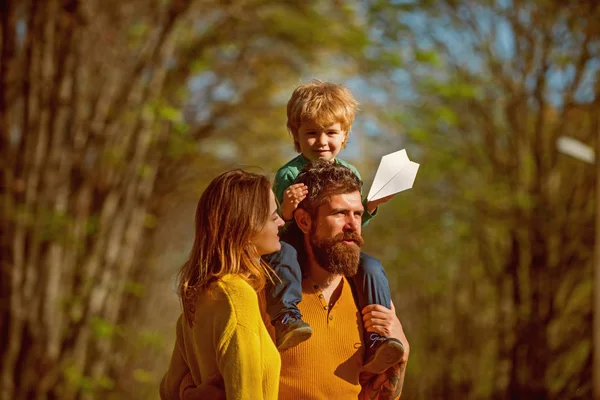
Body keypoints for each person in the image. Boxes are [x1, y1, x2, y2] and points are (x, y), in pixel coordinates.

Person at [180, 160, 410, 400]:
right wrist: (188, 392)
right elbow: (194, 365)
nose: (353, 224)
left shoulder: (368, 298)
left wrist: (402, 350)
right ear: (303, 221)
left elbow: (377, 394)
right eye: (340, 213)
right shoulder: (258, 290)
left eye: (358, 214)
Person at [266, 80, 403, 374]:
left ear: (345, 135)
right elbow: (283, 222)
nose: (322, 141)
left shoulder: (349, 171)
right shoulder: (289, 173)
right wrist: (288, 207)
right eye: (312, 134)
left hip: (330, 247)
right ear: (296, 136)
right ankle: (287, 317)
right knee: (284, 257)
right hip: (294, 244)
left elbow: (348, 224)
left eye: (331, 133)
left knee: (372, 267)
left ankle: (379, 337)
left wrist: (371, 205)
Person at [160, 170, 285, 400]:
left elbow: (169, 389)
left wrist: (189, 394)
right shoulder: (236, 295)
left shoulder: (200, 296)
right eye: (273, 216)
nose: (282, 222)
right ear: (247, 227)